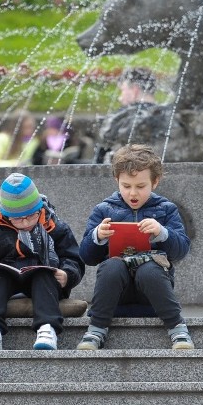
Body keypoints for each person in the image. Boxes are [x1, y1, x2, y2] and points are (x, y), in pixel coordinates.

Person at [77, 144, 192, 350]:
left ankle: (177, 328)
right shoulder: (104, 209)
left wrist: (162, 232)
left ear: (155, 182)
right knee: (112, 266)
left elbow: (182, 249)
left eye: (140, 186)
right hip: (115, 295)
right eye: (126, 185)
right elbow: (86, 256)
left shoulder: (166, 209)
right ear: (117, 181)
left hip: (152, 294)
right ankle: (95, 330)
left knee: (149, 269)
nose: (133, 193)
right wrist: (98, 236)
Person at [0, 173, 84, 350]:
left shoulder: (55, 226)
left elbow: (73, 258)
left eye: (30, 216)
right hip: (8, 281)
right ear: (6, 215)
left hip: (44, 282)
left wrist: (67, 275)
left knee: (44, 274)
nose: (24, 223)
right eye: (17, 219)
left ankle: (47, 328)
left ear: (39, 209)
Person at [95, 68, 160, 163]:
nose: (119, 98)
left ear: (134, 90)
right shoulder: (167, 117)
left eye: (122, 90)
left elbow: (101, 156)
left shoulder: (123, 118)